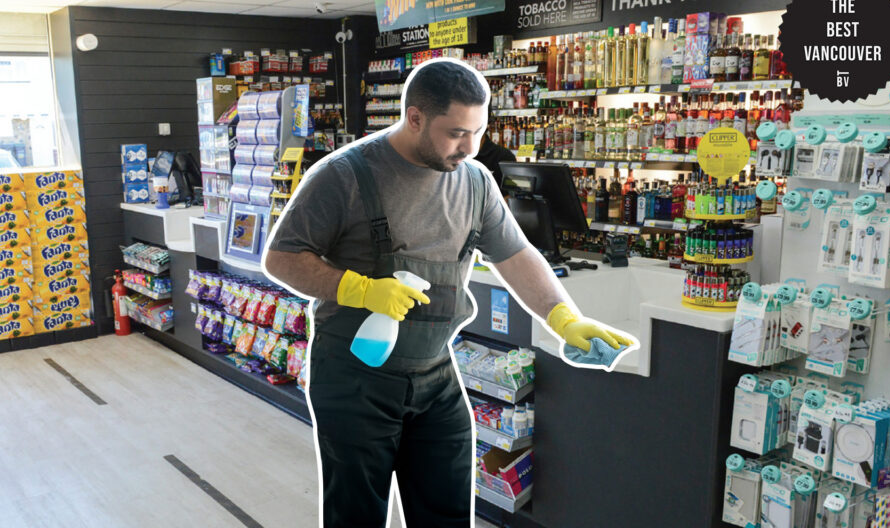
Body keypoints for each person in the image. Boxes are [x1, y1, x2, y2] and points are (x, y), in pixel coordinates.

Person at [263, 59, 633, 527]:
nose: (470, 147)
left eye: (478, 132)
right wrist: (355, 289)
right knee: (355, 514)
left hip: (436, 373)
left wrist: (563, 318)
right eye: (457, 132)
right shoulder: (344, 175)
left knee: (448, 512)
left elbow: (516, 256)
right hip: (355, 376)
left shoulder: (475, 181)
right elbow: (281, 258)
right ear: (414, 117)